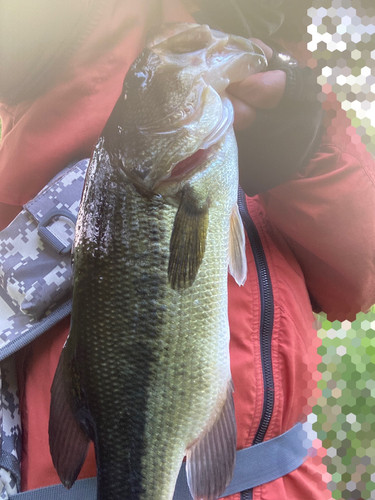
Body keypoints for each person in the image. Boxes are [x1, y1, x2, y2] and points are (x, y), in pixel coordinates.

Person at [0, 0, 374, 499]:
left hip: (283, 483)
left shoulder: (273, 64)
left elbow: (358, 281)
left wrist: (308, 150)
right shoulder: (35, 48)